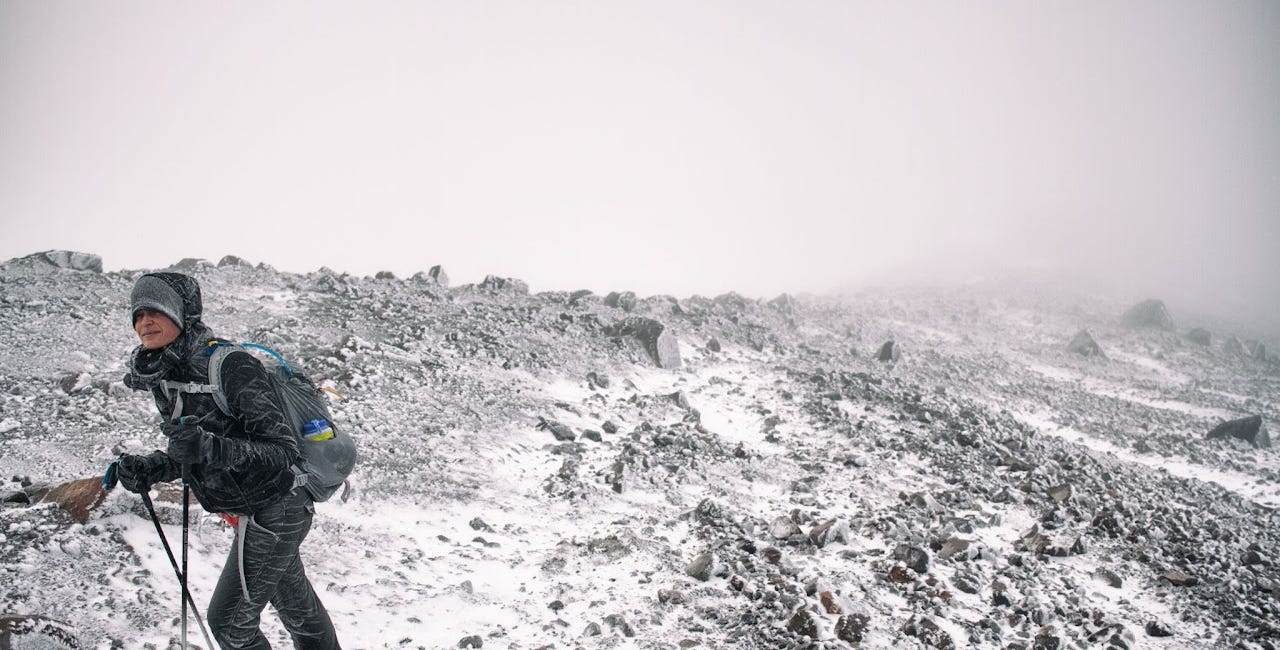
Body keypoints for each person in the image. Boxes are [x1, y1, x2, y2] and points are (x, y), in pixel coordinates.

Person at [114, 272, 340, 650]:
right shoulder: (168, 375)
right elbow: (192, 451)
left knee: (230, 623)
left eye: (156, 310)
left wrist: (208, 447)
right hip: (250, 509)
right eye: (138, 314)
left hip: (278, 505)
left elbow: (283, 452)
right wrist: (155, 466)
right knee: (297, 607)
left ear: (182, 313)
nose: (145, 322)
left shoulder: (231, 366)